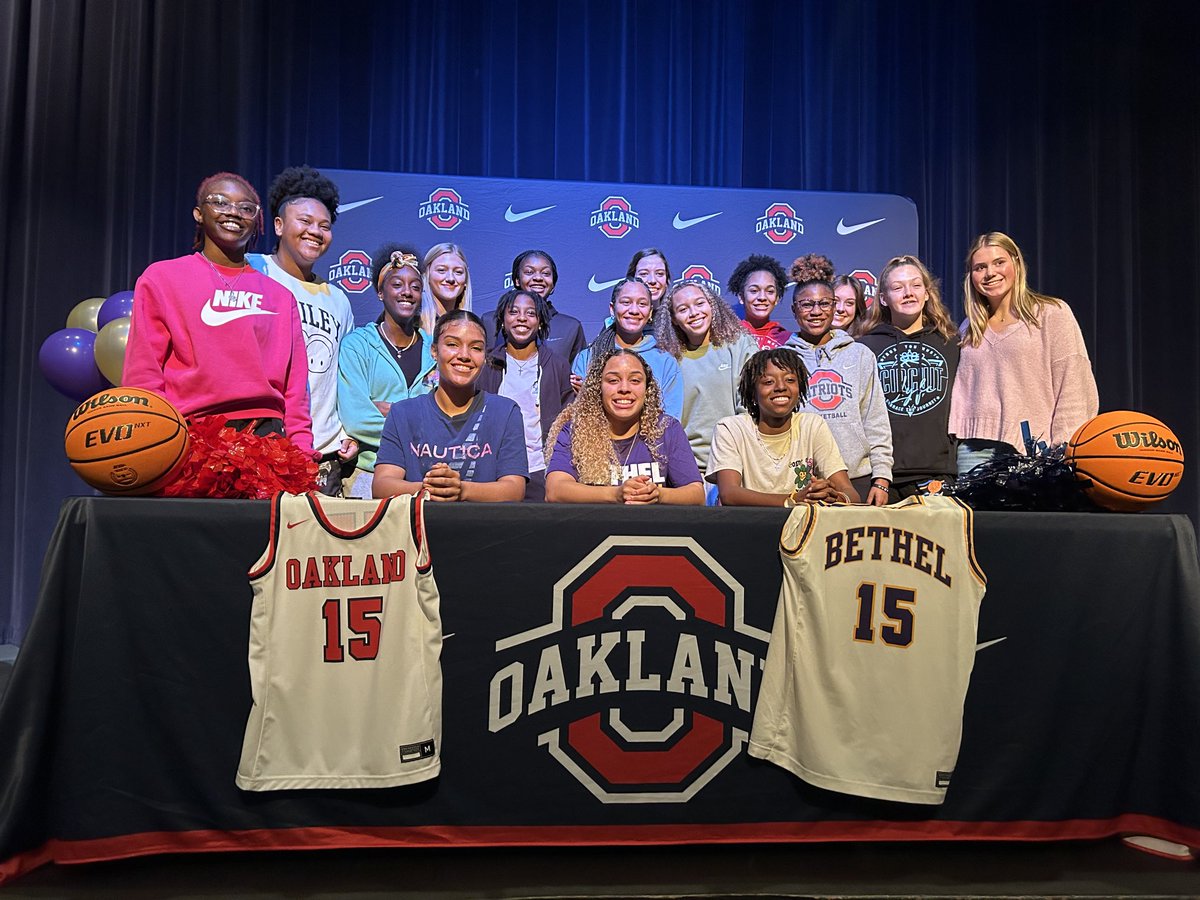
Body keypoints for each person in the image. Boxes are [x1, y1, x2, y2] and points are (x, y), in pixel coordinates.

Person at [123, 171, 313, 456]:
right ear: (199, 214)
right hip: (189, 433)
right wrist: (151, 440)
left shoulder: (281, 296)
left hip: (265, 439)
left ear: (257, 221)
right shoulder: (162, 278)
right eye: (221, 202)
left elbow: (296, 388)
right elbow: (144, 372)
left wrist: (301, 452)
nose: (233, 213)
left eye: (246, 208)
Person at [247, 165, 357, 495]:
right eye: (305, 222)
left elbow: (344, 378)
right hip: (260, 445)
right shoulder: (253, 270)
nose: (315, 232)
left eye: (324, 226)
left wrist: (350, 433)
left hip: (322, 457)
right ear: (279, 225)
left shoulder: (338, 299)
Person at [950, 232, 1099, 473]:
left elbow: (1074, 386)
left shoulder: (1051, 314)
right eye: (980, 267)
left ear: (1016, 264)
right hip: (972, 451)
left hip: (1033, 450)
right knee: (975, 512)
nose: (990, 273)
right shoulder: (969, 327)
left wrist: (1064, 449)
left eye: (999, 262)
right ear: (971, 277)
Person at [373, 310, 527, 501]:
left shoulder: (505, 412)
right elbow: (382, 485)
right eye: (452, 344)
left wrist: (462, 489)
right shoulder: (403, 413)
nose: (464, 355)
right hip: (418, 529)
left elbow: (514, 489)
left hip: (484, 528)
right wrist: (429, 488)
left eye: (476, 348)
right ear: (434, 351)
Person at [786, 253, 892, 506]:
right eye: (807, 304)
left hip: (857, 477)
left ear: (834, 307)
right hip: (801, 482)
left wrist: (882, 478)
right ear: (794, 309)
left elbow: (875, 419)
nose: (816, 312)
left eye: (824, 304)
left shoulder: (860, 354)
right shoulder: (782, 359)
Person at [337, 244, 436, 497]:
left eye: (415, 286)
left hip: (422, 479)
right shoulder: (357, 345)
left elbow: (441, 420)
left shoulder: (433, 351)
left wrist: (395, 411)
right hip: (367, 475)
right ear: (380, 292)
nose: (407, 292)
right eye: (397, 285)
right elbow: (357, 418)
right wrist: (413, 422)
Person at [545, 348, 703, 504]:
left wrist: (658, 495)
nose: (624, 389)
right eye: (613, 380)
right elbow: (555, 490)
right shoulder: (575, 430)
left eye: (635, 380)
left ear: (647, 389)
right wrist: (616, 494)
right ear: (598, 388)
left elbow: (696, 493)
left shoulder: (667, 429)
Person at [858, 255, 959, 499]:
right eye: (897, 287)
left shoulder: (952, 343)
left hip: (937, 472)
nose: (908, 293)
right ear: (883, 298)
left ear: (927, 293)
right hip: (880, 476)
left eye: (915, 285)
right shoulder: (864, 347)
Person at [706, 348, 858, 506]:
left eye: (790, 380)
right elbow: (729, 494)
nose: (781, 387)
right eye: (768, 382)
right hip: (748, 526)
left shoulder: (812, 425)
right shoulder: (731, 429)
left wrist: (832, 497)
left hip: (802, 527)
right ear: (753, 394)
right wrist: (791, 499)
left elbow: (850, 493)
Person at [654, 279, 758, 501]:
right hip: (687, 473)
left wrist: (734, 464)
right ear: (673, 318)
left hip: (733, 468)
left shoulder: (739, 345)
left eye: (700, 303)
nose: (694, 313)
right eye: (683, 309)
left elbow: (750, 408)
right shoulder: (667, 358)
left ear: (712, 305)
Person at [476, 288, 574, 502]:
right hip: (495, 472)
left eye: (530, 313)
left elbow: (568, 421)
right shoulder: (486, 365)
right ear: (502, 320)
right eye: (514, 312)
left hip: (541, 470)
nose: (522, 318)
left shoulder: (557, 366)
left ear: (540, 322)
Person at [571, 278, 684, 420]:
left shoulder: (665, 362)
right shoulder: (588, 358)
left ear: (649, 313)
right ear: (612, 309)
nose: (634, 310)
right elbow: (578, 418)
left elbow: (670, 422)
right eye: (626, 302)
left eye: (642, 304)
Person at [511, 250, 587, 364]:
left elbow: (580, 373)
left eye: (545, 273)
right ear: (517, 280)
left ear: (553, 284)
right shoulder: (491, 322)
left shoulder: (571, 327)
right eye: (529, 272)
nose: (538, 278)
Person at [729, 254, 791, 349]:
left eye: (770, 291)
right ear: (741, 297)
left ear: (777, 298)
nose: (762, 297)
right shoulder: (728, 336)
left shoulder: (787, 340)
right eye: (754, 291)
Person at [419, 243, 472, 337]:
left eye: (458, 272)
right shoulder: (414, 324)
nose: (450, 278)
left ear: (466, 280)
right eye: (441, 270)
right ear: (427, 275)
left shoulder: (473, 327)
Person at [832, 273, 869, 338]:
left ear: (857, 308)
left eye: (849, 303)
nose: (841, 309)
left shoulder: (864, 344)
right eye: (835, 301)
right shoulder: (809, 342)